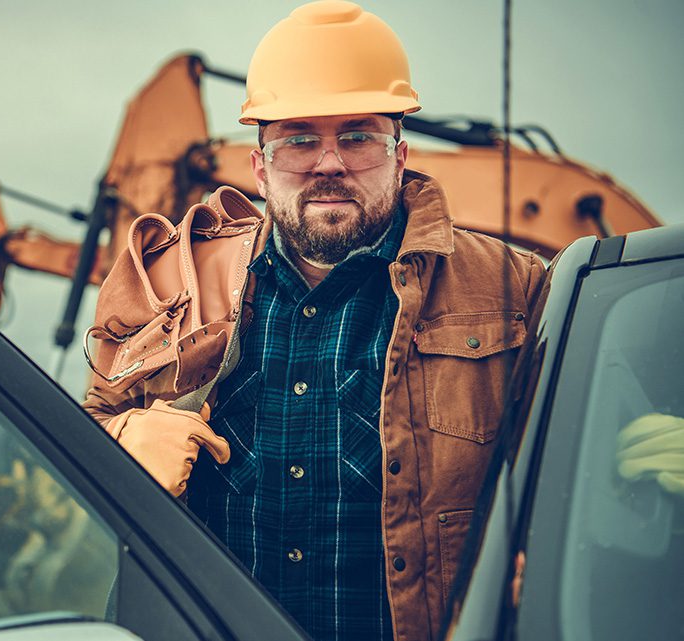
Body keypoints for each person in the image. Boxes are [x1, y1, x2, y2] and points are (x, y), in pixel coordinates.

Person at [82, 2, 547, 640]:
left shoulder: (513, 290)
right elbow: (81, 437)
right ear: (259, 165)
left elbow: (578, 459)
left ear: (400, 155)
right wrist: (123, 438)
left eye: (357, 135)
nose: (329, 162)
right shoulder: (175, 284)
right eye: (299, 138)